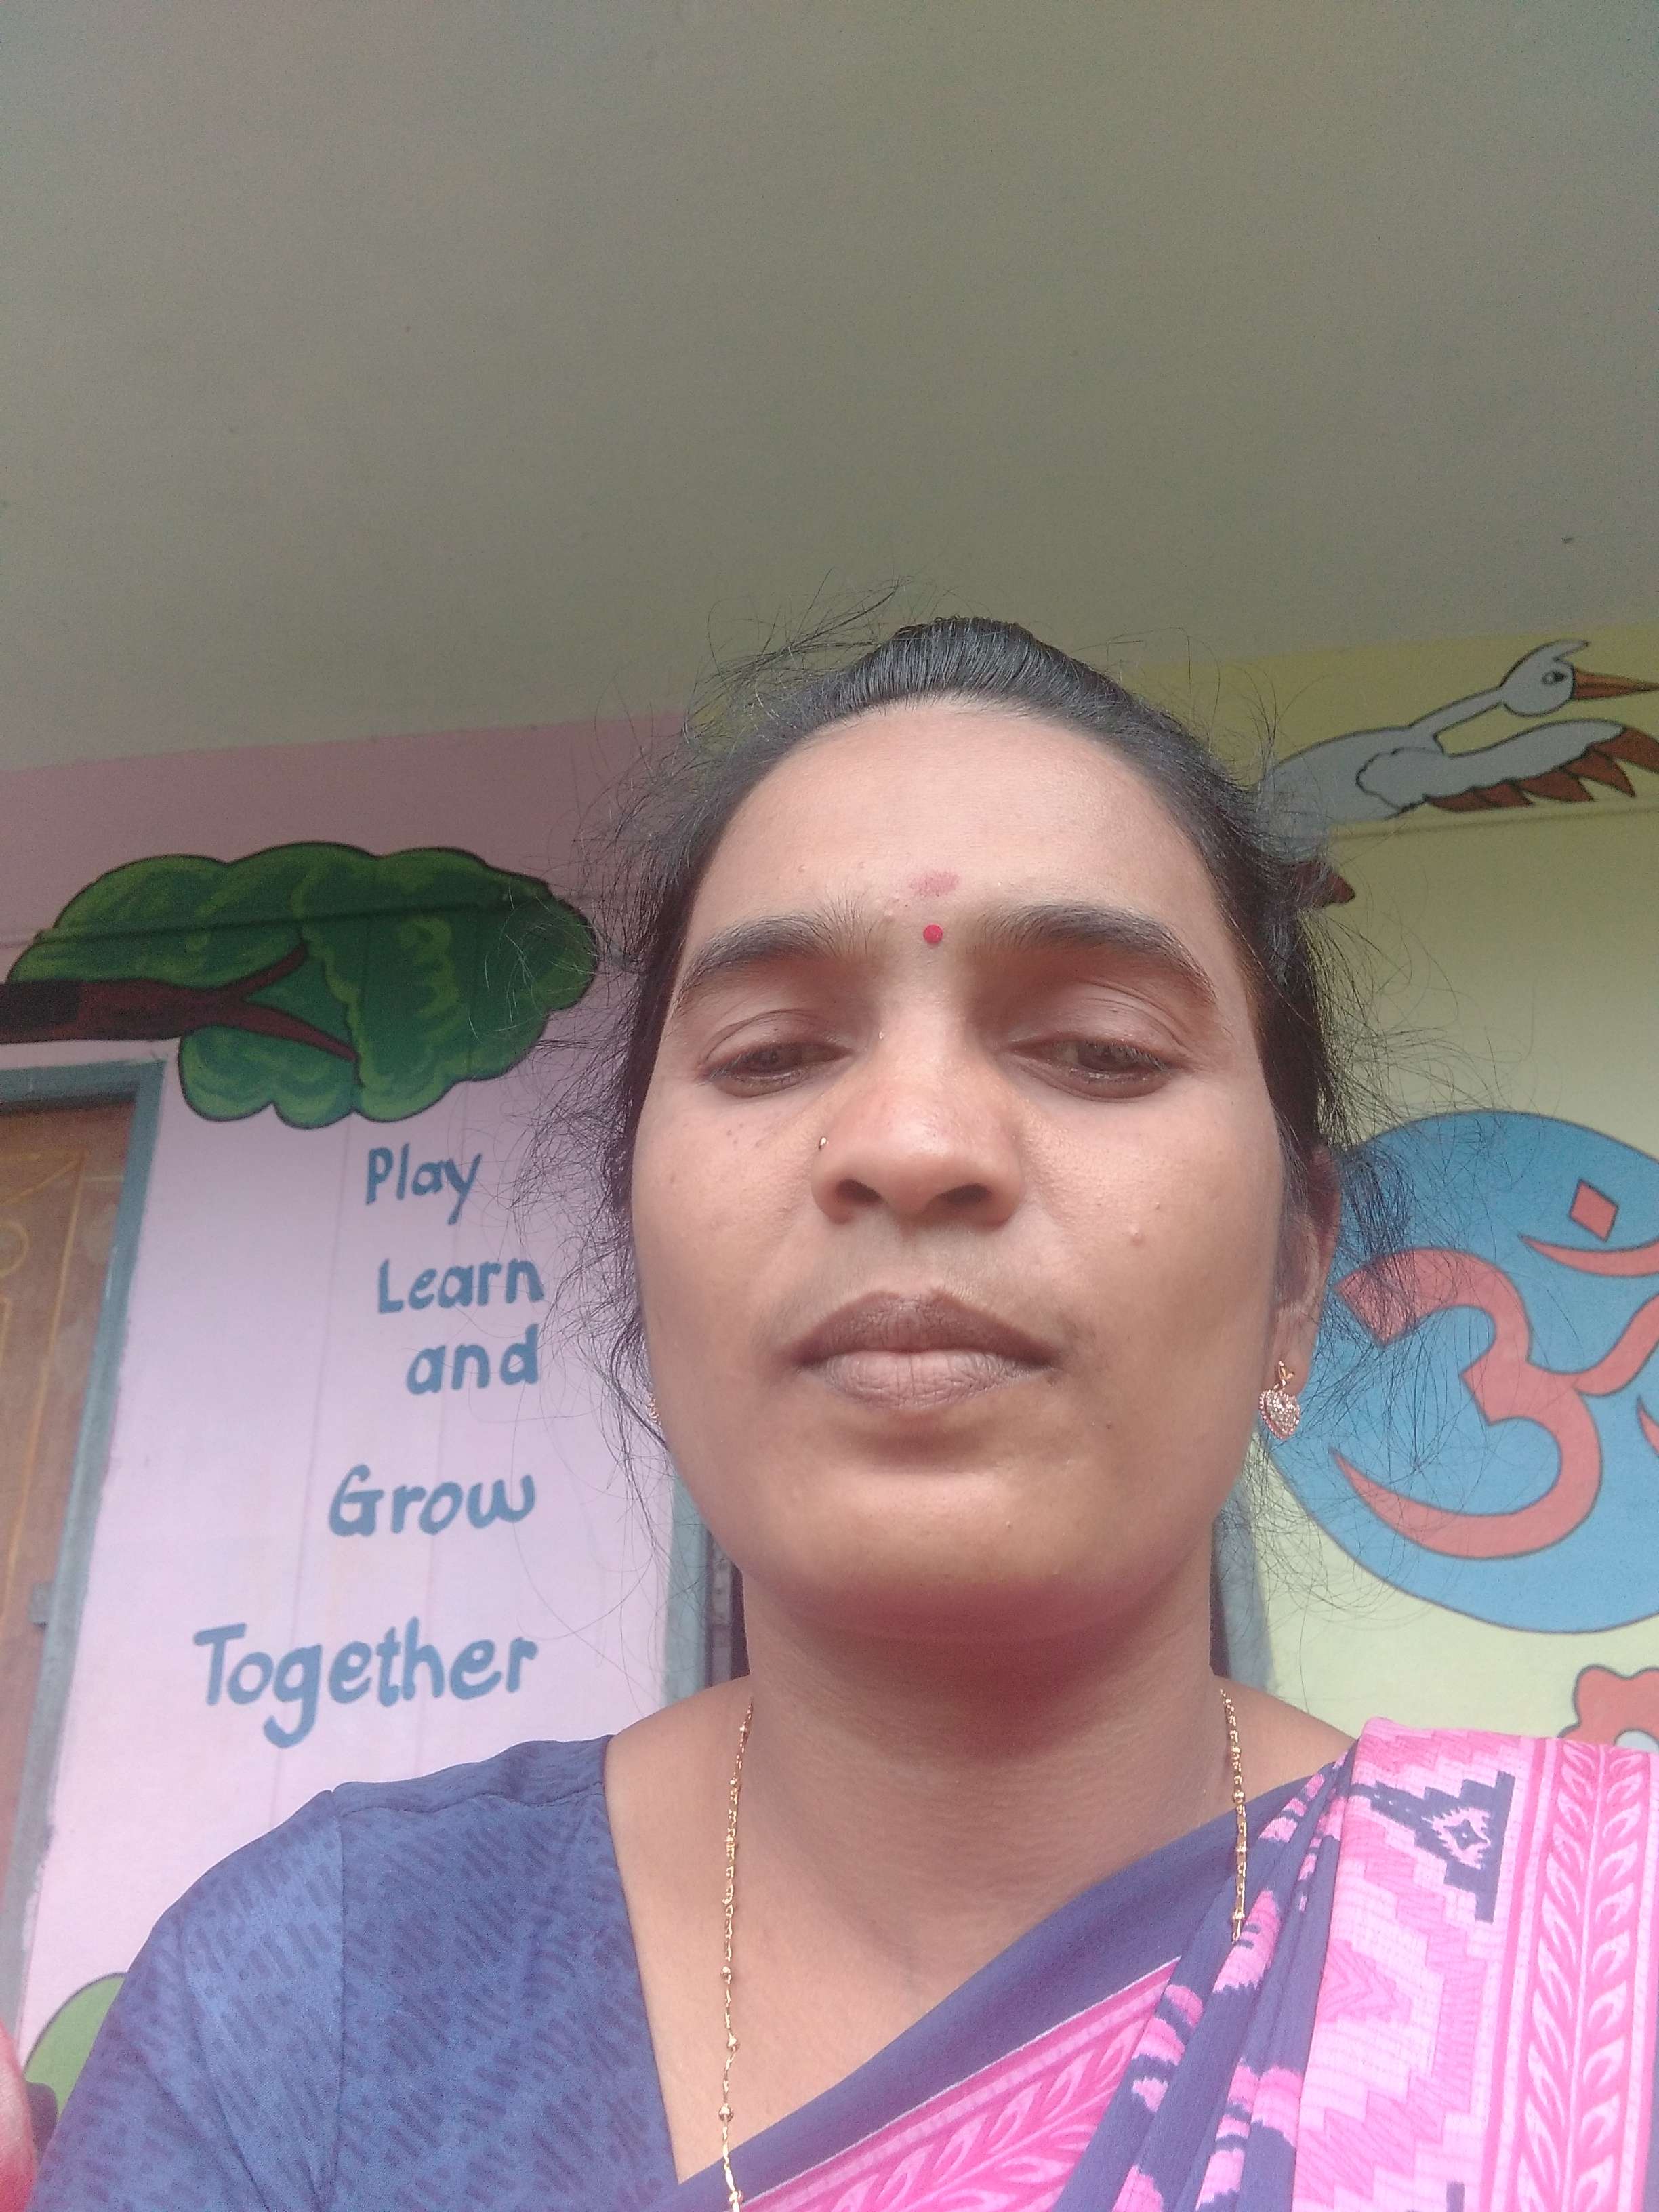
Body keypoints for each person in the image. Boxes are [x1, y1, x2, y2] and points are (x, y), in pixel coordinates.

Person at [33, 619, 1659, 2209]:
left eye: (1098, 1048)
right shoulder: (313, 2008)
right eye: (773, 1053)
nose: (913, 1139)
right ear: (644, 1254)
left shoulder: (1605, 1960)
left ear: (1296, 1275)